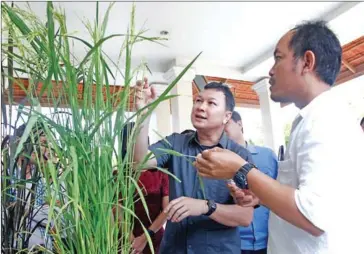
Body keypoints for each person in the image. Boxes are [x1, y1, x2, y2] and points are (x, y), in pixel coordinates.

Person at [194, 20, 364, 254]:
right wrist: (259, 197)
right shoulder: (308, 120)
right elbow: (303, 198)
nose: (271, 70)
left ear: (307, 61)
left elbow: (313, 217)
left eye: (278, 58)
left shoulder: (326, 121)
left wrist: (241, 169)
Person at [133, 80, 254, 253]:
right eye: (198, 100)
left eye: (211, 103)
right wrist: (143, 115)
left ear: (227, 116)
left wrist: (206, 206)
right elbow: (140, 162)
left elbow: (245, 216)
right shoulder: (175, 143)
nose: (201, 107)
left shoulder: (240, 156)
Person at [225, 111, 278, 254]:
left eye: (227, 122)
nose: (222, 128)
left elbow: (279, 192)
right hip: (234, 243)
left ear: (240, 124)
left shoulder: (267, 155)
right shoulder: (218, 163)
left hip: (270, 240)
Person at [120, 122, 170, 254]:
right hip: (126, 241)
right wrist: (131, 241)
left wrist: (144, 238)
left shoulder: (160, 174)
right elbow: (117, 210)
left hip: (154, 238)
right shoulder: (119, 176)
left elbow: (167, 210)